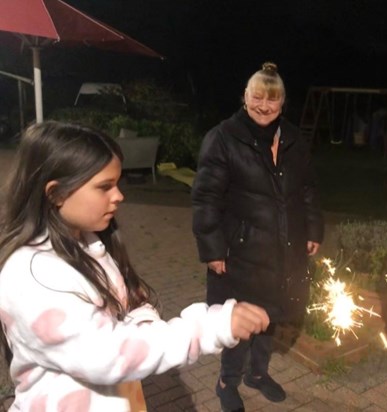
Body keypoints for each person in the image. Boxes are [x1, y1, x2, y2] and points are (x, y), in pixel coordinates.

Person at [0, 121, 270, 412]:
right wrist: (209, 327)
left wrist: (146, 329)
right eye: (104, 187)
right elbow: (109, 355)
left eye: (117, 183)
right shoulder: (32, 278)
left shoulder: (90, 245)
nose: (119, 196)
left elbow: (127, 306)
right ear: (55, 194)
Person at [192, 62, 324, 412]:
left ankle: (258, 374)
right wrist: (212, 248)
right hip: (240, 250)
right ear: (245, 97)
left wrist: (313, 229)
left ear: (283, 103)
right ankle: (227, 382)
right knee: (239, 323)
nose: (264, 106)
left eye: (273, 99)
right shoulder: (222, 138)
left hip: (284, 249)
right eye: (257, 97)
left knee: (272, 315)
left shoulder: (294, 138)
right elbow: (206, 198)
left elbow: (308, 188)